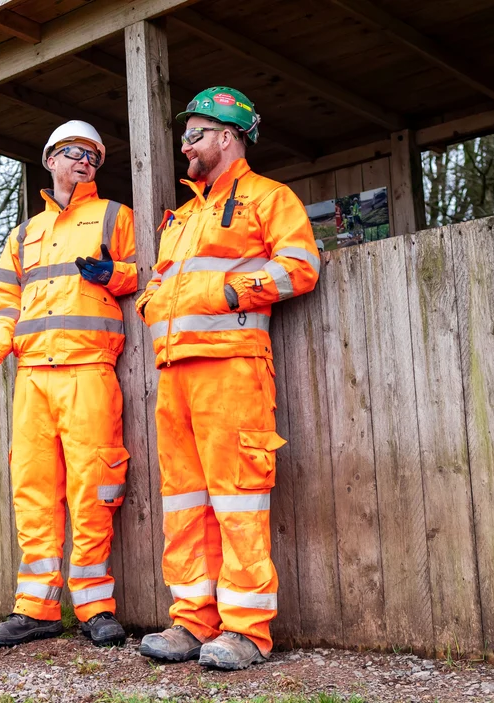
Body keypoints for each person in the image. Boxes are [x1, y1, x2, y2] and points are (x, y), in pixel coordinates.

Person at [134, 87, 320, 670]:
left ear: (227, 136)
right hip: (174, 374)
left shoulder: (270, 197)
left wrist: (230, 290)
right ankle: (193, 620)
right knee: (185, 505)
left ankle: (247, 631)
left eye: (194, 134)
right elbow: (160, 281)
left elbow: (300, 266)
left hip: (233, 369)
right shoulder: (182, 215)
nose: (184, 145)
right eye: (183, 134)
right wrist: (150, 302)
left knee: (239, 502)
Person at [0, 120, 137, 648]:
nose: (86, 162)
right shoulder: (23, 234)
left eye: (95, 157)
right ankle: (35, 610)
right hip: (32, 379)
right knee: (32, 492)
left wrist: (114, 275)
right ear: (50, 159)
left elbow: (143, 271)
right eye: (75, 153)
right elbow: (4, 304)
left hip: (89, 373)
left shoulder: (115, 216)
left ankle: (95, 608)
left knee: (94, 491)